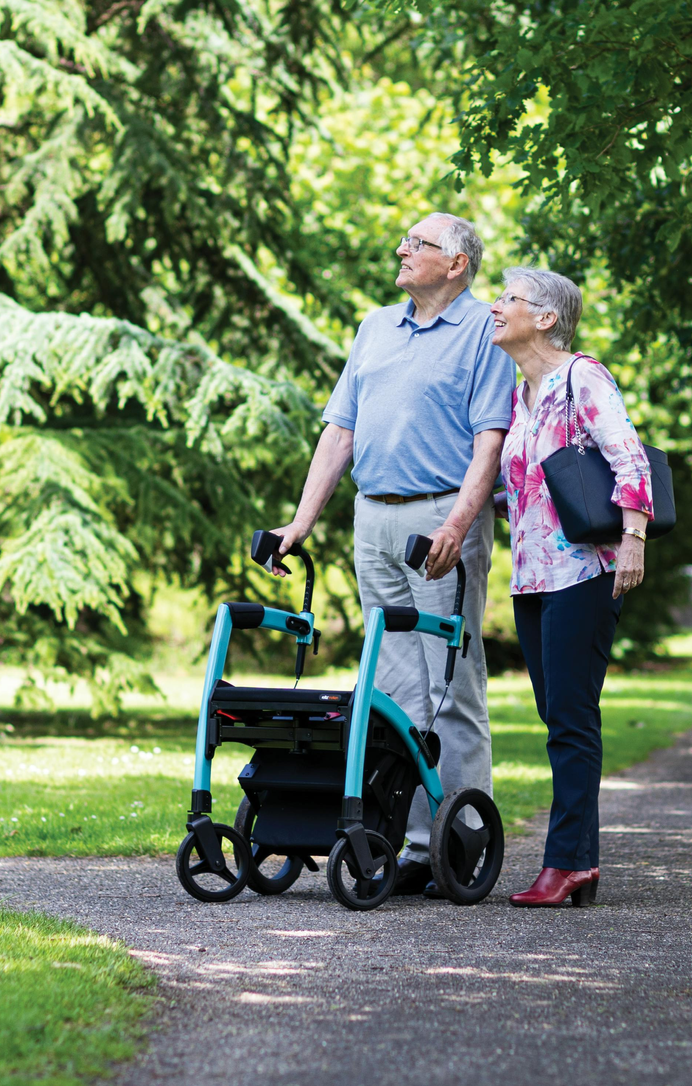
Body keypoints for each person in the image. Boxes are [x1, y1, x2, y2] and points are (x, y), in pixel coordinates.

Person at [269, 213, 516, 893]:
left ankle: (460, 843)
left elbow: (489, 444)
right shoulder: (376, 326)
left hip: (440, 517)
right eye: (405, 241)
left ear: (458, 263)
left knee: (449, 685)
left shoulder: (484, 332)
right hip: (373, 515)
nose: (403, 250)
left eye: (420, 244)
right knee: (391, 688)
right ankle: (408, 846)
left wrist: (459, 525)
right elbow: (339, 432)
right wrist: (300, 523)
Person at [489, 267, 652, 908]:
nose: (496, 308)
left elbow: (627, 455)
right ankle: (580, 863)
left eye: (509, 299)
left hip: (584, 572)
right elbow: (522, 493)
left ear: (547, 317)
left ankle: (563, 864)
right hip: (532, 578)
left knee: (572, 720)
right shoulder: (518, 395)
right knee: (559, 717)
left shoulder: (581, 376)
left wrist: (632, 540)